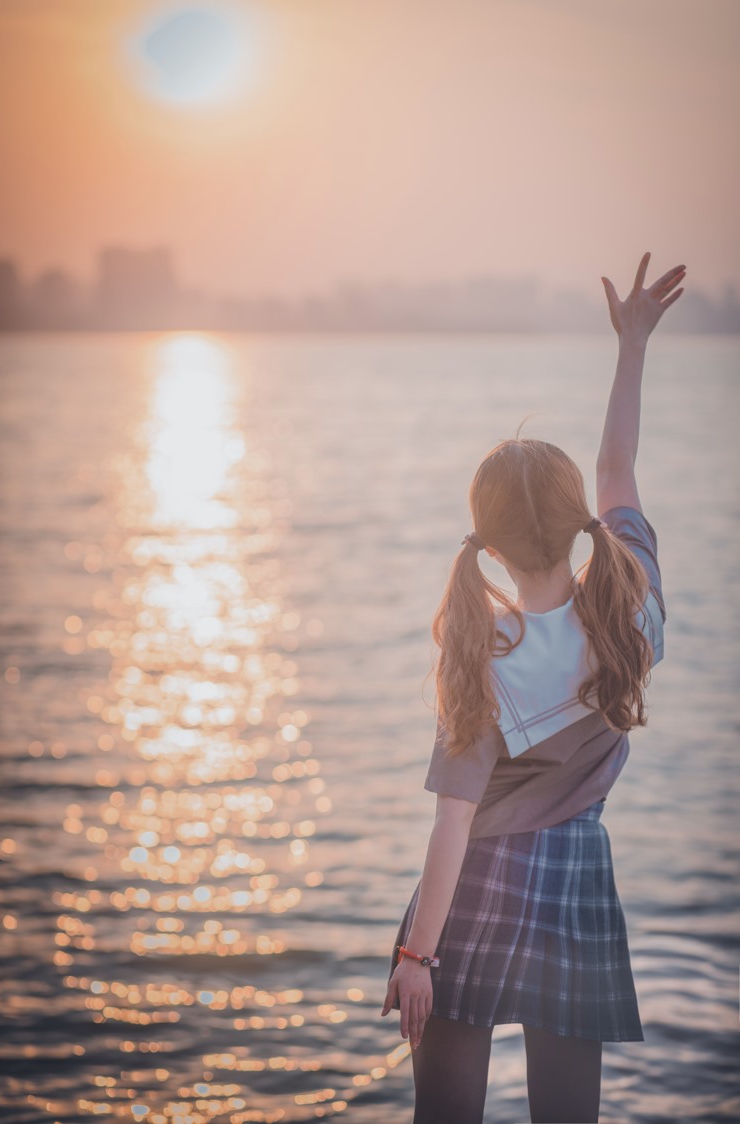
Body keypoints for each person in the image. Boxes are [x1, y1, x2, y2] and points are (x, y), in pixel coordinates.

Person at [381, 251, 686, 1124]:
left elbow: (453, 826)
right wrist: (631, 348)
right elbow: (618, 465)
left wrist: (415, 956)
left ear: (488, 538)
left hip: (473, 889)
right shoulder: (634, 614)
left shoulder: (481, 653)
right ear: (579, 521)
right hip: (577, 878)